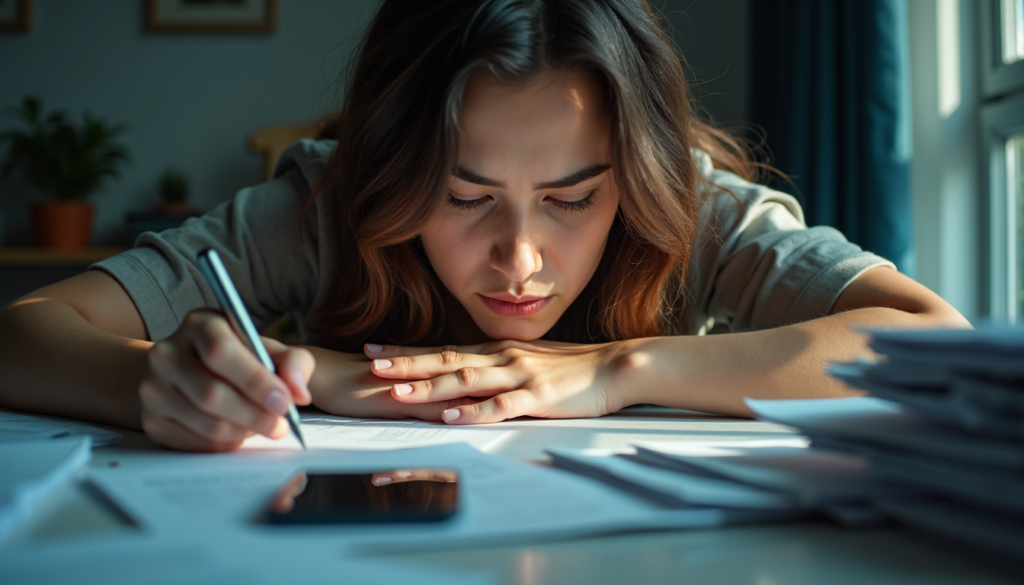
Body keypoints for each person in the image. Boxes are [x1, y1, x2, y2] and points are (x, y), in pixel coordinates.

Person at [0, 0, 969, 452]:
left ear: (629, 177)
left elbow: (932, 342)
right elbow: (21, 332)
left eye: (573, 197)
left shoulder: (688, 207)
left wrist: (616, 368)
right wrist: (154, 379)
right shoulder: (327, 206)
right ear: (393, 167)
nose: (520, 258)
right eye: (463, 197)